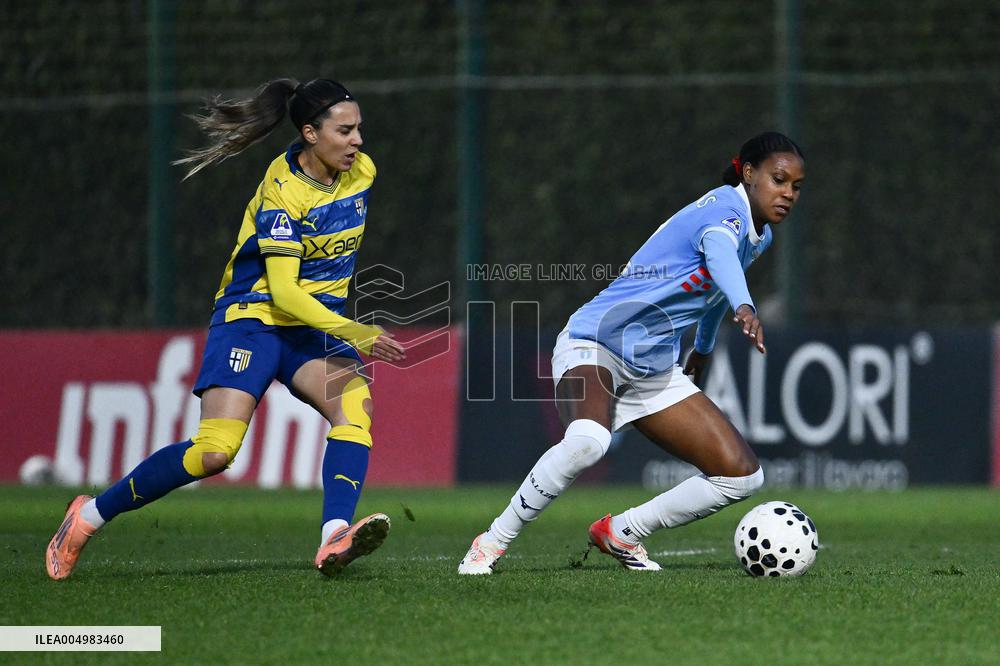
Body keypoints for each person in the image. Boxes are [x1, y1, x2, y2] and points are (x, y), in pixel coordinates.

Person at [46, 78, 406, 580]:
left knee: (354, 410)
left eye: (359, 129)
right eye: (345, 131)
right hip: (253, 320)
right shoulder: (283, 194)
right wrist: (356, 331)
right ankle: (86, 517)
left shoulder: (361, 171)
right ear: (309, 133)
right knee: (214, 453)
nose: (358, 141)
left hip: (309, 328)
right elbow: (284, 293)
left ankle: (334, 535)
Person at [459, 131, 805, 574]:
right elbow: (720, 257)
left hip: (653, 367)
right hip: (596, 343)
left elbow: (713, 290)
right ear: (750, 173)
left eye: (796, 186)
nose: (788, 193)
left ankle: (621, 532)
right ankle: (490, 542)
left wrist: (702, 346)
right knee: (588, 442)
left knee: (741, 476)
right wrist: (745, 305)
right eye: (779, 180)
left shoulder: (760, 235)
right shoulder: (723, 209)